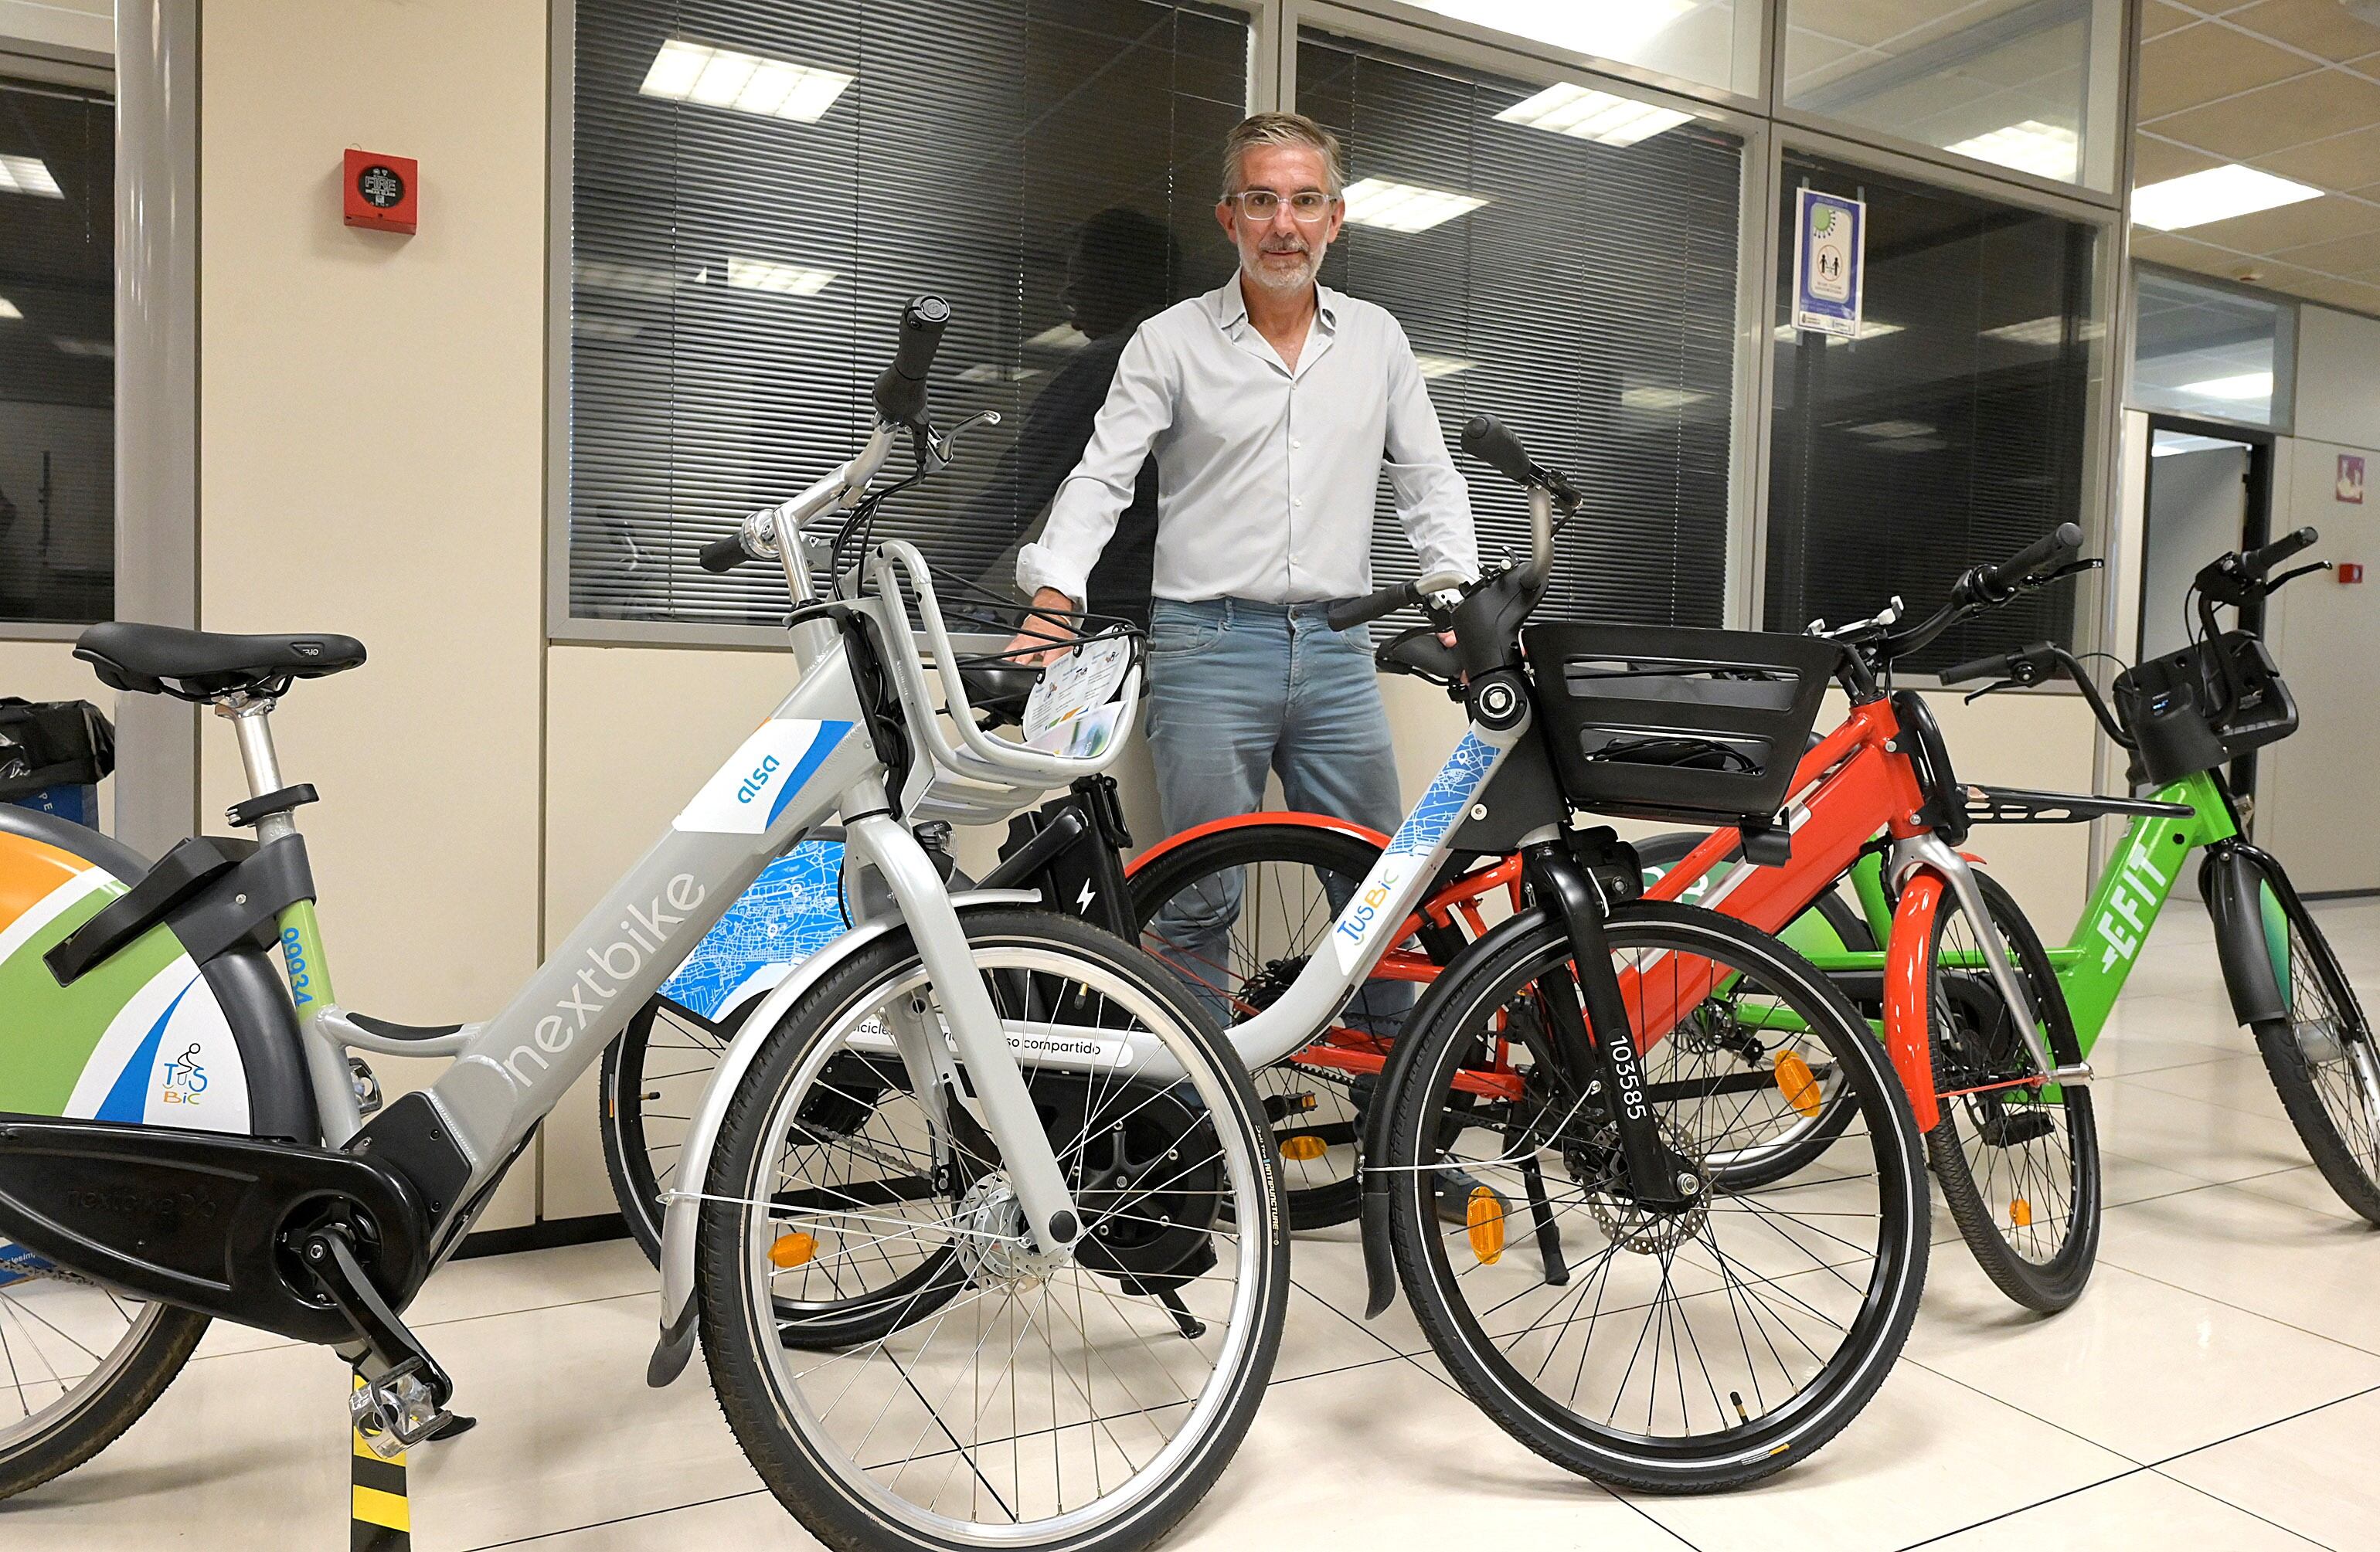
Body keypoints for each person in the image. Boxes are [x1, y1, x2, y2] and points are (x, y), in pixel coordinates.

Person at [1008, 110, 1477, 1012]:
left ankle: (1406, 1140)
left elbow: (1427, 479)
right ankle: (1197, 1140)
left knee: (1382, 897)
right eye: (1261, 201)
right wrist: (1056, 591)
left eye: (1305, 202)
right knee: (1195, 902)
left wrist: (1452, 592)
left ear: (1335, 219)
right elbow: (1100, 475)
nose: (1283, 224)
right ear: (1229, 219)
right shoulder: (1169, 340)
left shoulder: (1376, 339)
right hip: (1206, 649)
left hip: (1339, 654)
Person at [964, 206, 1182, 627]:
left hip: (1119, 620)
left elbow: (1015, 489)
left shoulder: (1110, 363)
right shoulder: (1186, 355)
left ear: (1120, 276)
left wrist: (904, 590)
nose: (1067, 295)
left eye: (1079, 275)